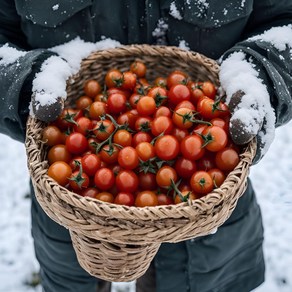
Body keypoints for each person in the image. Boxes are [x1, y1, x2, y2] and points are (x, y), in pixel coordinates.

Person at [0, 1, 291, 291]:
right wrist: (22, 83)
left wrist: (261, 75)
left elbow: (284, 20)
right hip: (69, 210)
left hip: (205, 220)